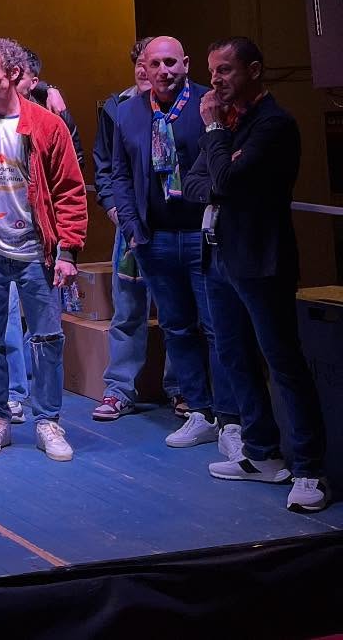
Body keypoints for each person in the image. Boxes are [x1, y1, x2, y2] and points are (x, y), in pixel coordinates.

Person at [185, 38, 330, 512]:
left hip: (260, 261)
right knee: (234, 356)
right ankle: (262, 453)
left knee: (282, 361)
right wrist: (221, 169)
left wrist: (214, 138)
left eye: (225, 70)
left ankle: (310, 470)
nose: (215, 81)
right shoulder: (233, 125)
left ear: (254, 70)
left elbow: (226, 181)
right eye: (211, 71)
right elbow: (193, 183)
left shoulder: (273, 124)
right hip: (219, 256)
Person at [0, 38, 87, 462]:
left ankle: (48, 421)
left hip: (36, 250)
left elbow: (70, 190)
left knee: (47, 337)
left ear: (13, 74)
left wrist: (68, 251)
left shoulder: (46, 125)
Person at [107, 36, 237, 449]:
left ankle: (231, 419)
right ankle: (199, 411)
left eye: (171, 63)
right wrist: (132, 228)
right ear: (143, 68)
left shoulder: (207, 104)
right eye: (155, 64)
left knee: (217, 328)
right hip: (155, 239)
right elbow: (119, 173)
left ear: (185, 64)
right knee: (177, 328)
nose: (164, 71)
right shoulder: (128, 112)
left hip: (204, 236)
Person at [91, 38, 183, 422]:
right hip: (130, 225)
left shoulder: (185, 104)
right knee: (128, 310)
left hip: (174, 223)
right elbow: (105, 166)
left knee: (178, 311)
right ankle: (119, 390)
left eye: (159, 63)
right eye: (143, 64)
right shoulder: (118, 108)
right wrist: (116, 209)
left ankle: (182, 388)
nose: (150, 71)